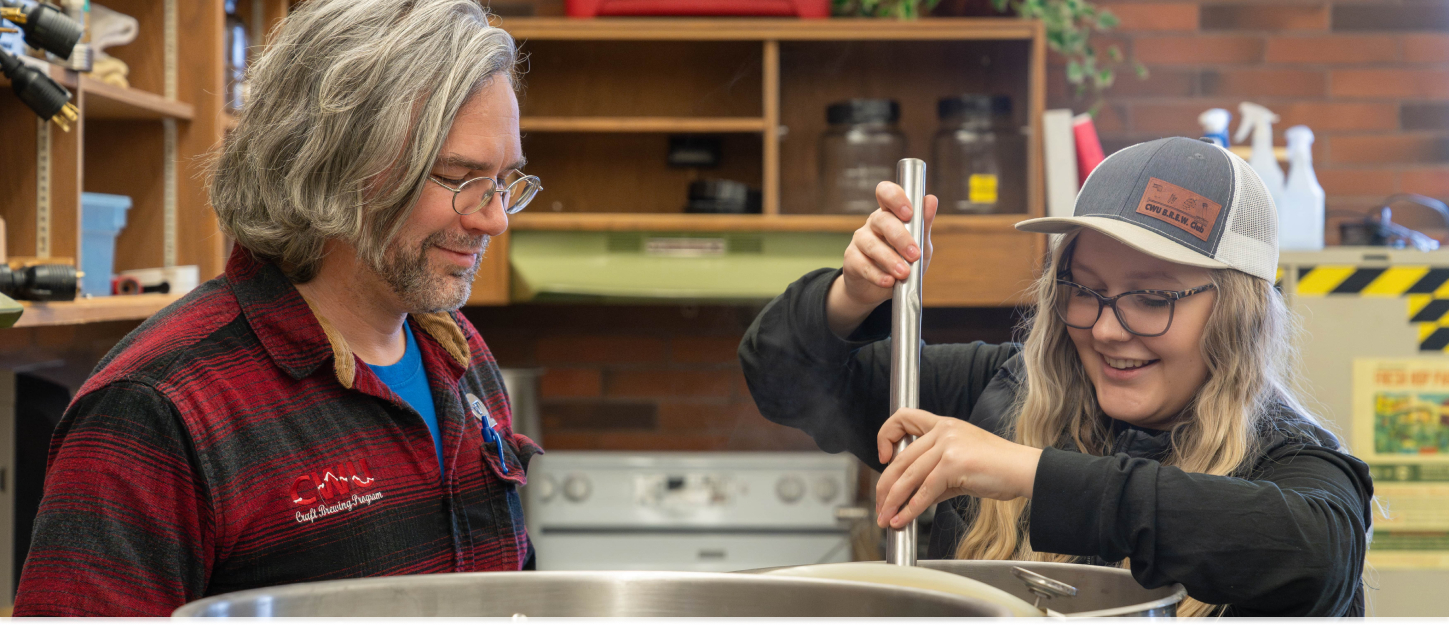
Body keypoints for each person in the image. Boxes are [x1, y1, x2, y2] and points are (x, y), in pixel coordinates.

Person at [13, 0, 542, 616]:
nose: (495, 218)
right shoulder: (158, 409)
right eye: (459, 178)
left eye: (506, 181)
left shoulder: (458, 352)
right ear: (334, 165)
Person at [740, 136, 1373, 617]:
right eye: (1084, 290)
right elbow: (784, 374)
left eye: (1152, 298)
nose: (1104, 330)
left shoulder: (1291, 462)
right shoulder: (1002, 388)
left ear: (1237, 314)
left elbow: (1318, 558)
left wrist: (1026, 473)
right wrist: (852, 295)